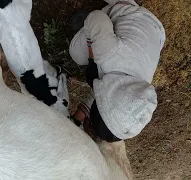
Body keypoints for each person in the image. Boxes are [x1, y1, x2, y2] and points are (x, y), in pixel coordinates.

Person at [70, 0, 166, 142]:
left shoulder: (138, 89)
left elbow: (110, 98)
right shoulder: (108, 56)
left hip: (154, 32)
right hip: (125, 13)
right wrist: (92, 54)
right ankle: (95, 22)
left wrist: (78, 117)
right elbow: (96, 16)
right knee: (77, 53)